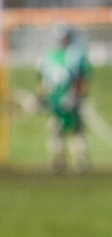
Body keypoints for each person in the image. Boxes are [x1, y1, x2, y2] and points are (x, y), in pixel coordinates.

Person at [37, 24, 91, 173]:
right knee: (55, 128)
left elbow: (83, 77)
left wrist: (74, 96)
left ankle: (80, 161)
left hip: (72, 99)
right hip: (54, 100)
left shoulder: (76, 54)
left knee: (76, 129)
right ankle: (57, 160)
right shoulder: (48, 55)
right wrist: (42, 97)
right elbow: (42, 79)